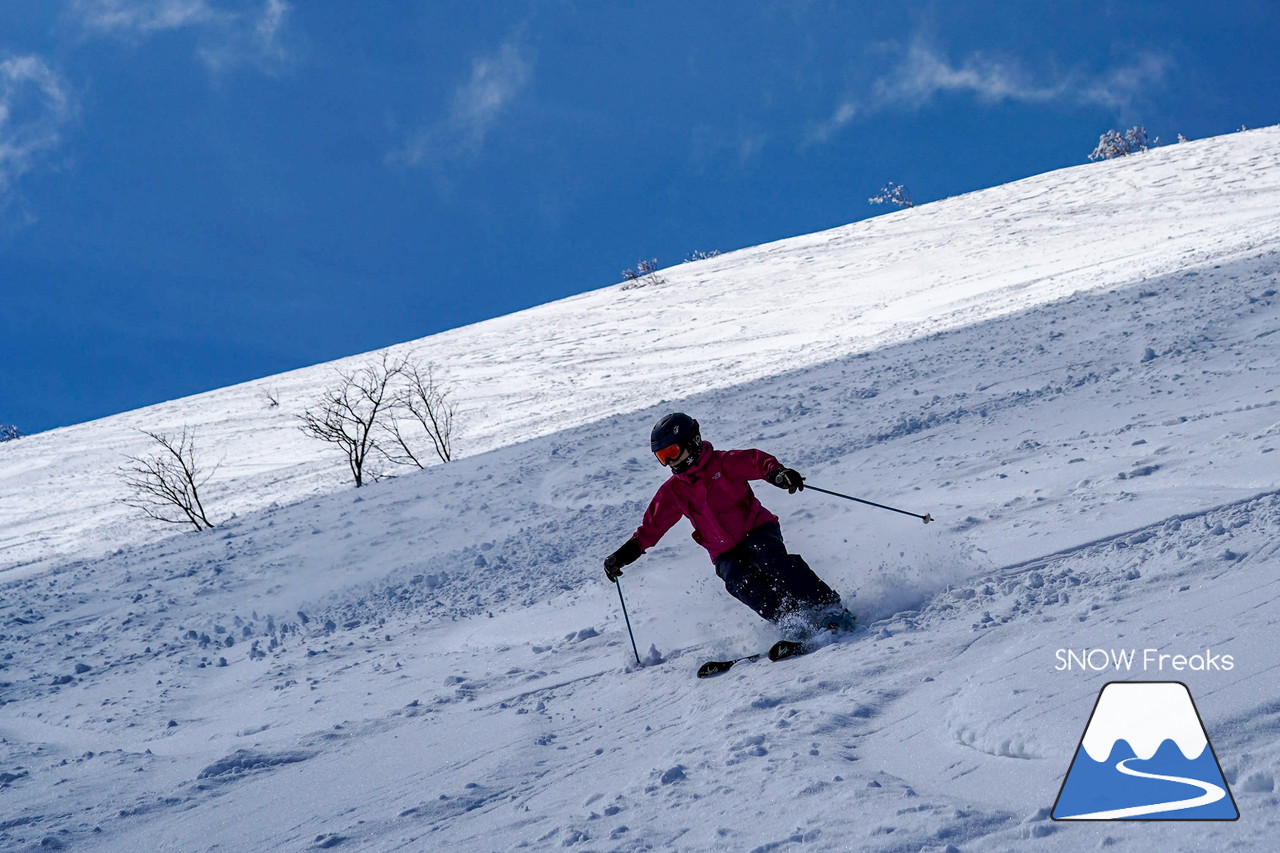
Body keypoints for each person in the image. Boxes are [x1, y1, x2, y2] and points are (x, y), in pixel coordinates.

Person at [603, 413, 856, 638]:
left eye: (672, 453)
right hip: (723, 551)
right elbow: (651, 528)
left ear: (692, 442)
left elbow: (757, 462)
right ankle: (790, 620)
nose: (670, 462)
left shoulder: (723, 463)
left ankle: (825, 606)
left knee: (771, 560)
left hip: (757, 529)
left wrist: (778, 474)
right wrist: (622, 556)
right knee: (739, 580)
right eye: (662, 457)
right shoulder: (673, 492)